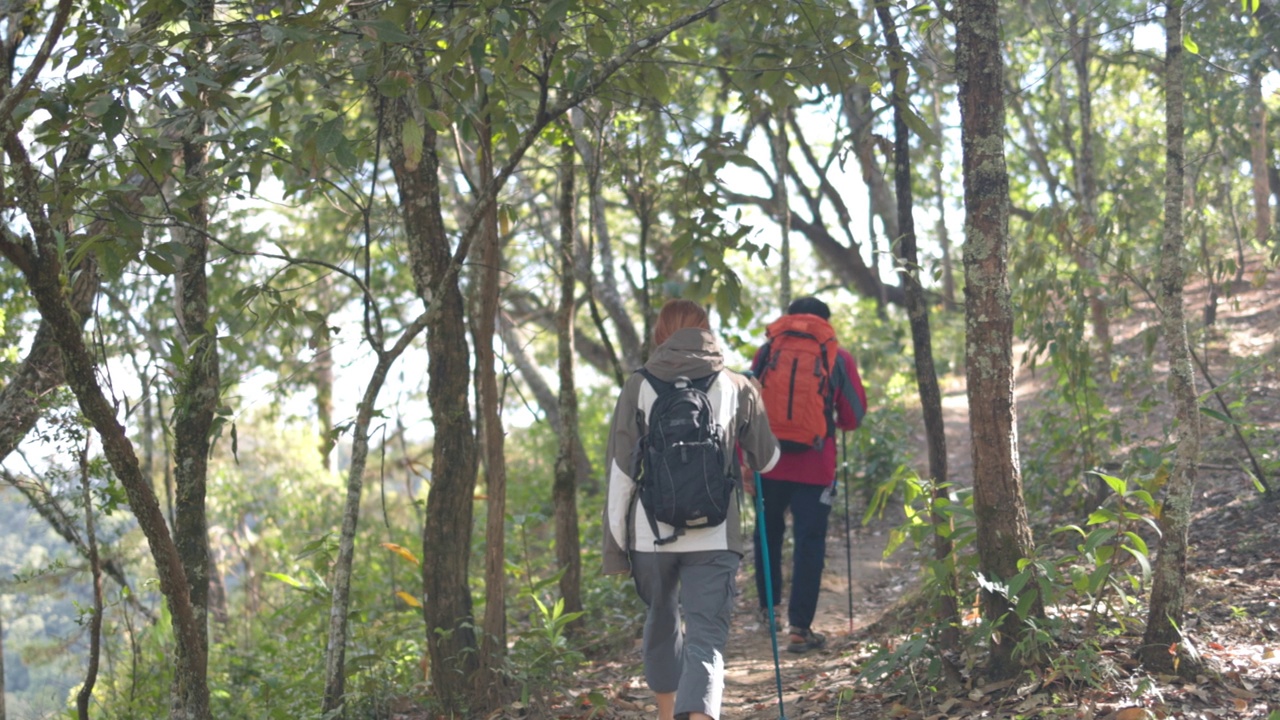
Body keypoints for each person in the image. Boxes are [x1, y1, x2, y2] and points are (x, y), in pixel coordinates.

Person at [604, 299, 780, 720]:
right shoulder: (737, 384)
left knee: (661, 623)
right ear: (706, 330)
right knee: (706, 636)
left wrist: (615, 549)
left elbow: (621, 474)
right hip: (716, 532)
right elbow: (767, 461)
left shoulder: (638, 384)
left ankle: (668, 715)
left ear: (660, 334)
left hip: (652, 533)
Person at [747, 296, 867, 654]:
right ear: (825, 322)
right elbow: (853, 416)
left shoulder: (767, 352)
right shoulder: (837, 356)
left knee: (767, 535)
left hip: (768, 462)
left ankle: (769, 612)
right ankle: (800, 628)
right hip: (815, 467)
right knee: (809, 543)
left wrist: (744, 460)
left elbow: (749, 408)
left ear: (789, 317)